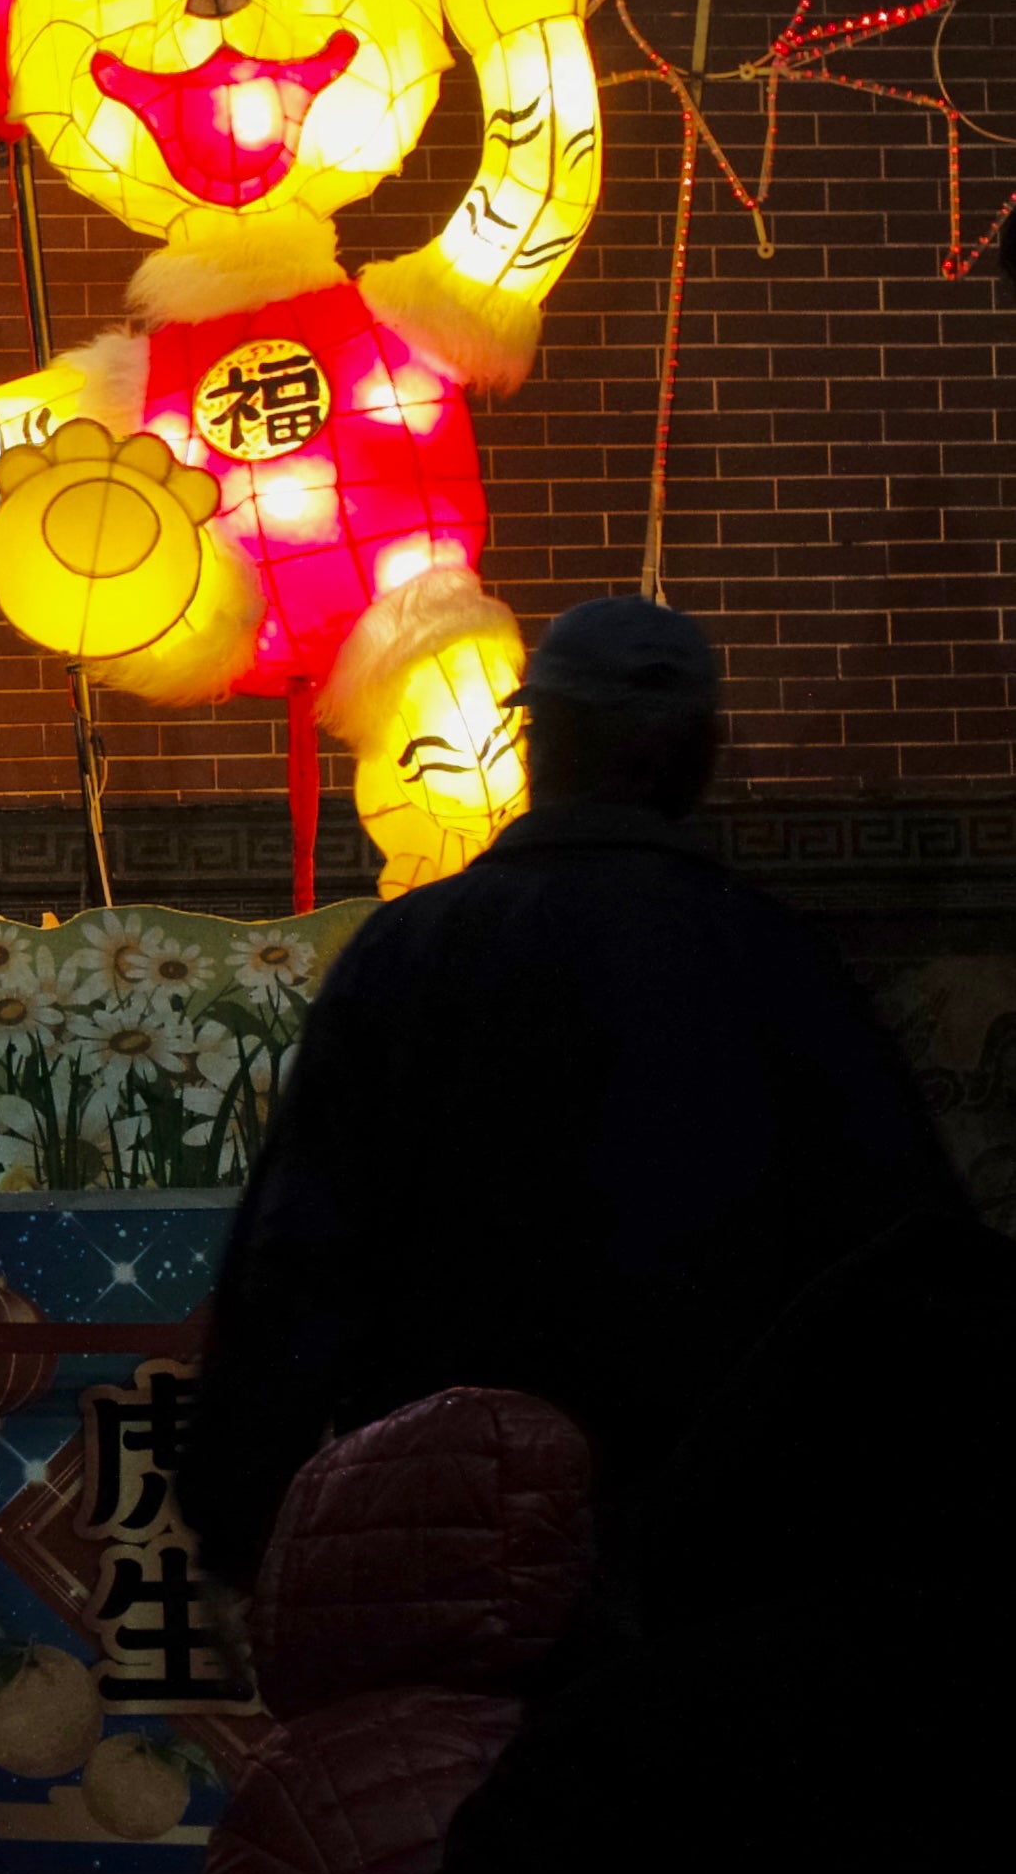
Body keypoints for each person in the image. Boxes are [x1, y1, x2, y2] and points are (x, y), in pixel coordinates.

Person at [182, 595, 969, 1595]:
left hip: (448, 1550)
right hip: (715, 1569)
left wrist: (236, 1522)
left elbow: (296, 1260)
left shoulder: (411, 953)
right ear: (701, 755)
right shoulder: (781, 965)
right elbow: (908, 1268)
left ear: (535, 741)